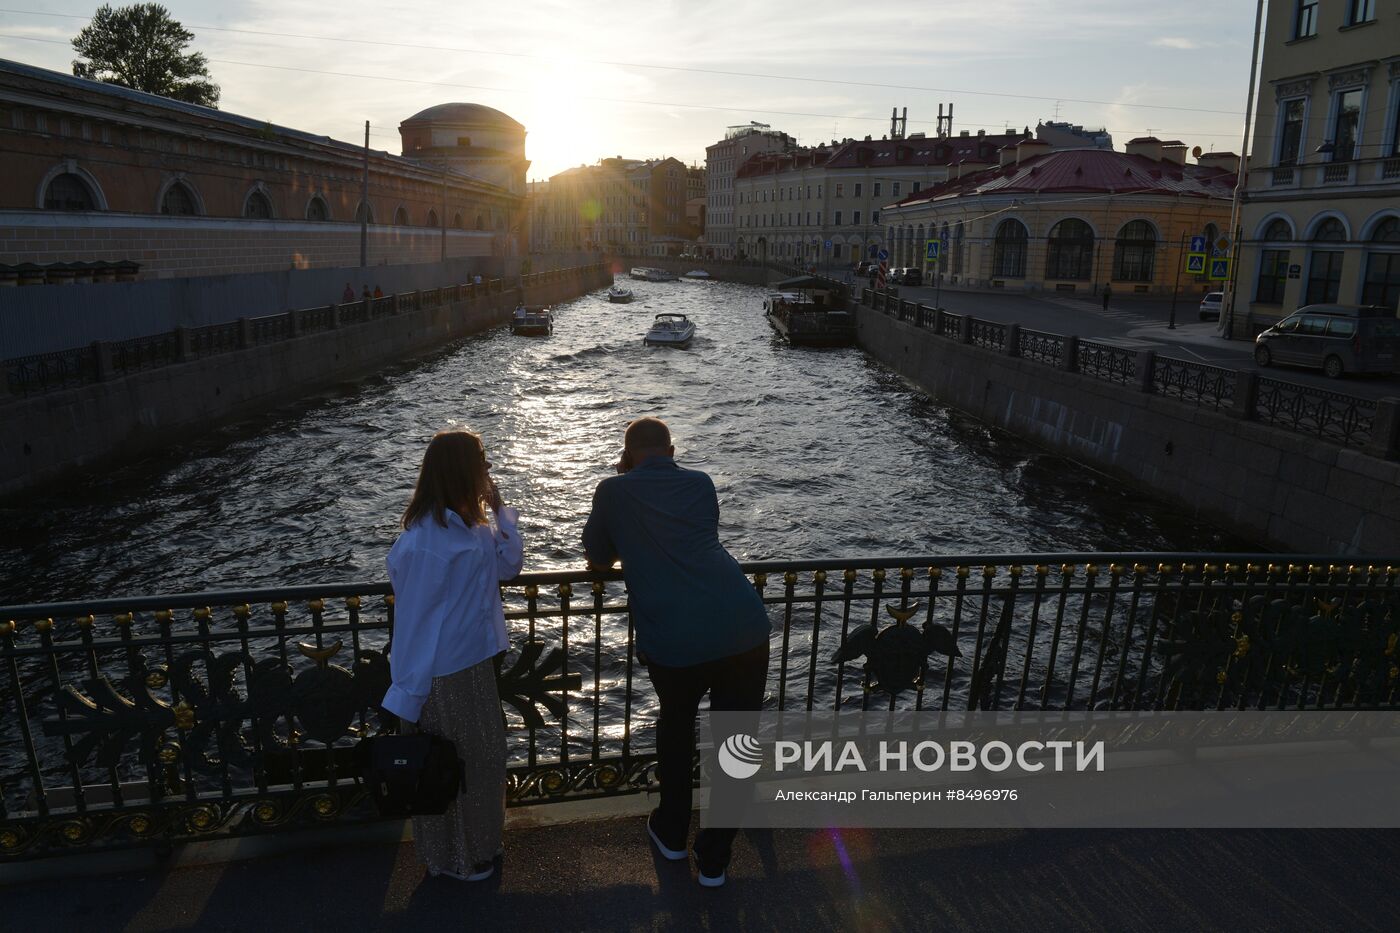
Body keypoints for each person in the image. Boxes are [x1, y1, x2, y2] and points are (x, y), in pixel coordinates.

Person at [582, 417, 769, 888]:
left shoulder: (613, 491)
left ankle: (670, 831)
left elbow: (598, 555)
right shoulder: (701, 484)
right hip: (743, 627)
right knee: (736, 742)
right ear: (670, 449)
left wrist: (622, 484)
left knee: (676, 729)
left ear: (627, 456)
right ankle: (714, 858)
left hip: (676, 638)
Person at [382, 429, 523, 882]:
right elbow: (415, 625)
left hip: (474, 663)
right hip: (442, 674)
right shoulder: (427, 542)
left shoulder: (472, 527)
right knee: (451, 767)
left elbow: (509, 566)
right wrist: (409, 693)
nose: (487, 469)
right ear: (462, 470)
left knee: (480, 760)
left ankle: (477, 847)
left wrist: (502, 512)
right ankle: (456, 859)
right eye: (481, 461)